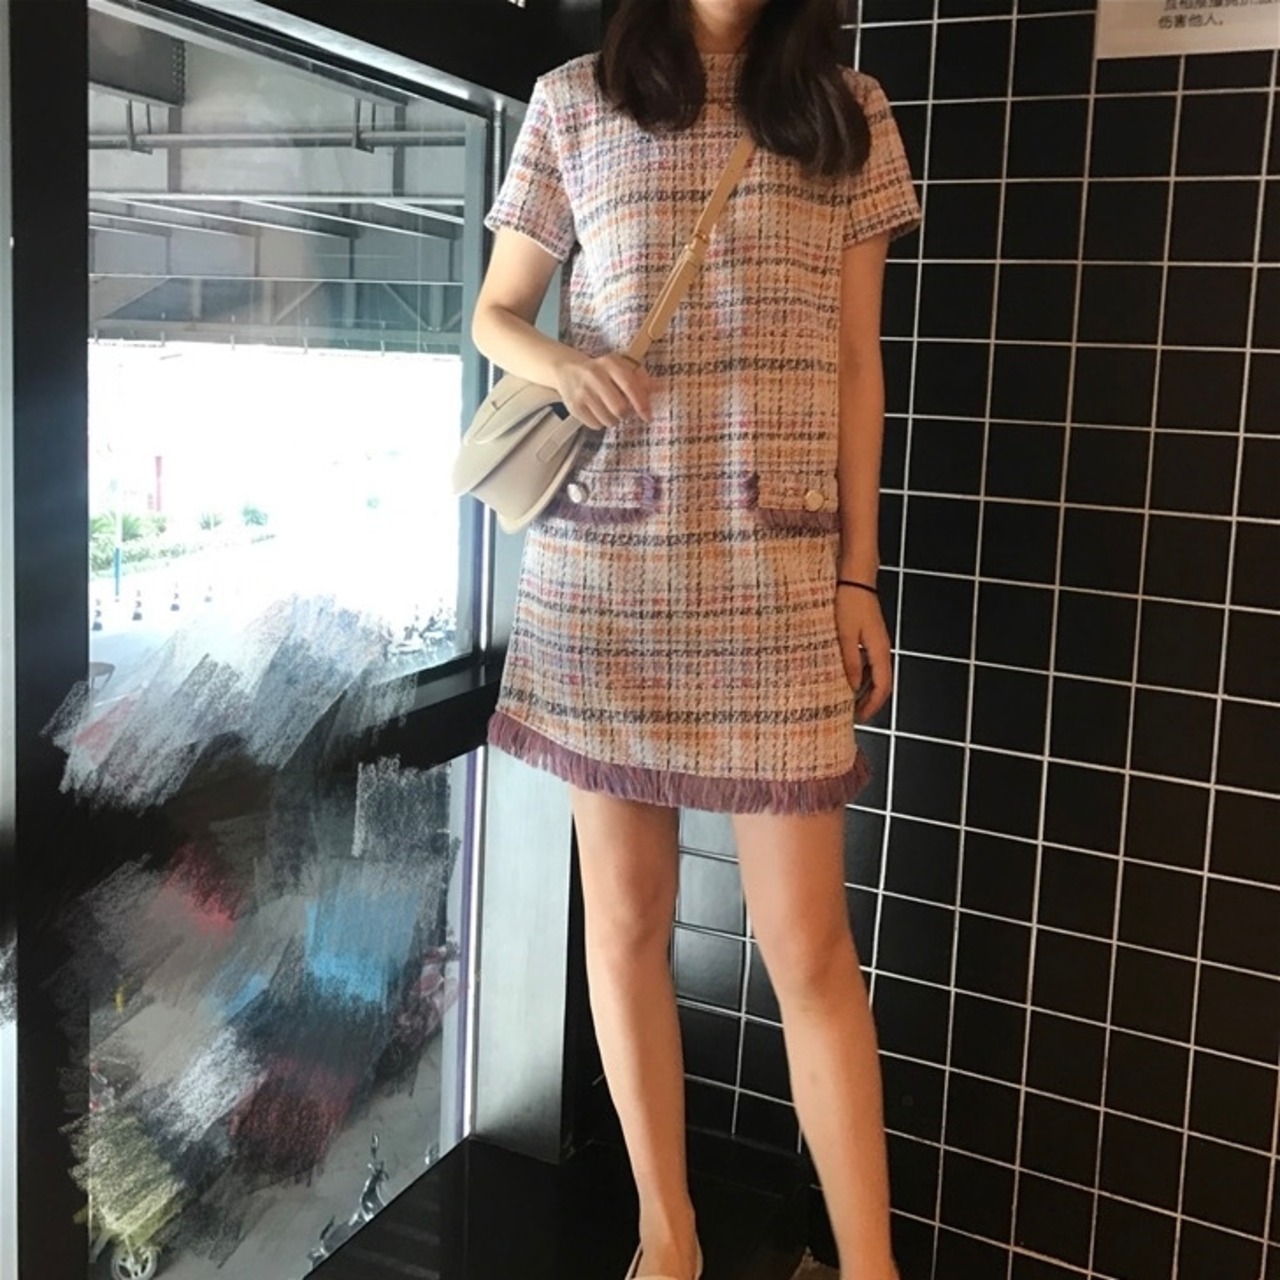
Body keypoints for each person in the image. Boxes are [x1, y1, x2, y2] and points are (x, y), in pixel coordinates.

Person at [472, 1, 921, 1277]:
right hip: (608, 572)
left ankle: (870, 1266)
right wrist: (563, 365)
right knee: (622, 922)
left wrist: (856, 573)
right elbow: (495, 314)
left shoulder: (847, 108)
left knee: (809, 948)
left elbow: (856, 361)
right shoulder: (572, 100)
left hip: (778, 571)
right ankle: (665, 1237)